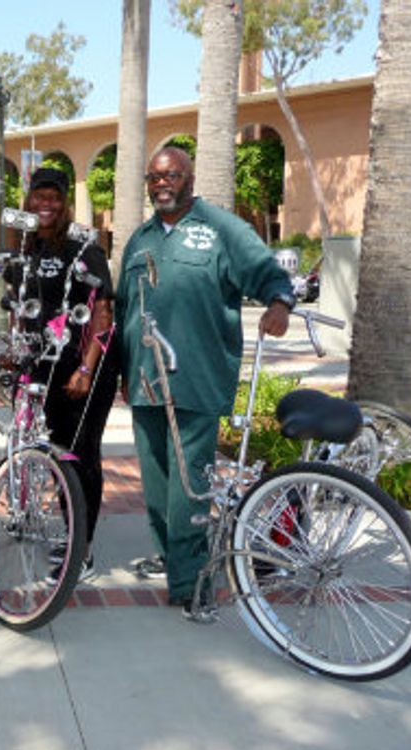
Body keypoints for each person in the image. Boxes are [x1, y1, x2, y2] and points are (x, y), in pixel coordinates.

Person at [114, 145, 295, 614]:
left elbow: (265, 270)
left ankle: (191, 583)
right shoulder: (141, 239)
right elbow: (122, 309)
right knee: (155, 485)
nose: (161, 184)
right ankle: (173, 558)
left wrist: (279, 303)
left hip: (195, 377)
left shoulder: (221, 229)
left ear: (189, 179)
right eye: (153, 178)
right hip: (145, 381)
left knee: (189, 485)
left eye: (170, 175)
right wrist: (121, 369)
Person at [1, 167, 118, 581]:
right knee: (53, 449)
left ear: (64, 201)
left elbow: (102, 310)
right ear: (28, 201)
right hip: (45, 364)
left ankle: (79, 551)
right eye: (38, 197)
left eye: (53, 197)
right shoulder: (26, 247)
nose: (44, 205)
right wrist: (15, 350)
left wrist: (86, 367)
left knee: (80, 454)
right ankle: (68, 533)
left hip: (84, 367)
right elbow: (19, 305)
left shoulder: (83, 246)